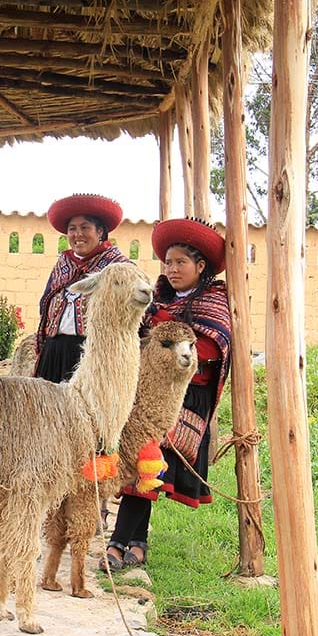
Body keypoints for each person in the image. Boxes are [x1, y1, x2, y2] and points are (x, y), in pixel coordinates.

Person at [100, 217, 232, 571]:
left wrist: (165, 341)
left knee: (147, 466)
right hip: (147, 397)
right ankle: (132, 542)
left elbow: (207, 349)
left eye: (181, 263)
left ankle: (121, 543)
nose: (172, 269)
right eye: (168, 262)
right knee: (140, 466)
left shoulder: (214, 302)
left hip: (185, 398)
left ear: (200, 266)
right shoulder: (156, 301)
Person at [33, 194, 131, 384]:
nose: (78, 234)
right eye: (72, 229)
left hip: (91, 353)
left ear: (100, 231)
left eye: (85, 227)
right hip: (54, 351)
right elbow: (46, 304)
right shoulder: (63, 264)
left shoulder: (118, 267)